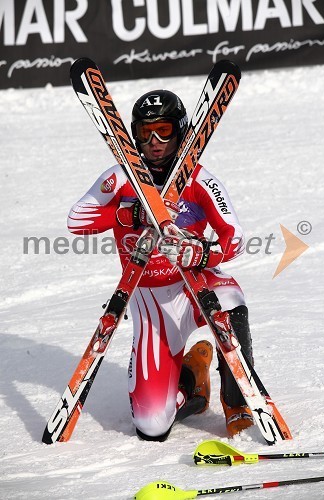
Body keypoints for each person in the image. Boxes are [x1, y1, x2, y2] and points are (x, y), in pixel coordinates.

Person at [67, 89, 254, 441]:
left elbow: (236, 236)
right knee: (152, 425)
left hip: (194, 287)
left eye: (164, 131)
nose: (154, 142)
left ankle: (238, 402)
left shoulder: (199, 179)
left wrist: (203, 253)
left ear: (181, 130)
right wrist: (129, 212)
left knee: (231, 302)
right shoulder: (121, 178)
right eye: (145, 132)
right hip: (150, 304)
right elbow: (77, 220)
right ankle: (193, 379)